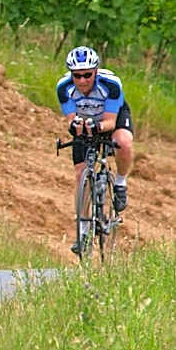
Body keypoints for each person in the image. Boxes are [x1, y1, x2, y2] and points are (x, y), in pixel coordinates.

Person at [57, 45, 134, 253]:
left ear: (96, 72)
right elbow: (71, 119)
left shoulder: (111, 85)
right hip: (86, 121)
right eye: (77, 76)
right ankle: (82, 231)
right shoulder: (63, 87)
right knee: (80, 173)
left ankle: (120, 183)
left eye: (87, 75)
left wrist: (97, 127)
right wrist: (76, 126)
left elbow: (109, 121)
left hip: (111, 118)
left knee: (123, 141)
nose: (82, 81)